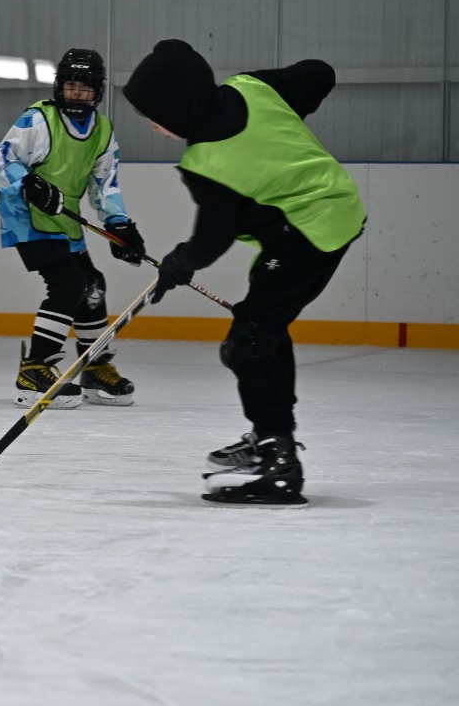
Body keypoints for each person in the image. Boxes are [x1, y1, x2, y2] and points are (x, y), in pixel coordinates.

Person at [123, 39, 365, 507]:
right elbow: (318, 71)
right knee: (265, 327)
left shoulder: (207, 162)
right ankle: (273, 437)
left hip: (309, 234)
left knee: (248, 340)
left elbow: (211, 243)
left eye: (156, 115)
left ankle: (278, 459)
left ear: (180, 106)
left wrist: (178, 263)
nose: (154, 127)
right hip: (331, 214)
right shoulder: (254, 87)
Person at [0, 47, 148, 408]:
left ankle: (95, 368)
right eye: (71, 86)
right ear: (59, 86)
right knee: (68, 284)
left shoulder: (102, 130)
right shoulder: (38, 120)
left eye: (86, 88)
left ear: (98, 92)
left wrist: (119, 225)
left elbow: (105, 183)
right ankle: (34, 371)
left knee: (93, 286)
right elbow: (2, 162)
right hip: (24, 216)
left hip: (64, 217)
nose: (77, 94)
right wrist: (26, 183)